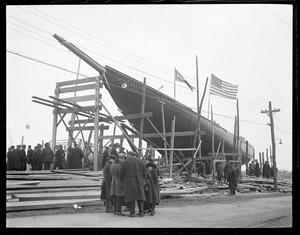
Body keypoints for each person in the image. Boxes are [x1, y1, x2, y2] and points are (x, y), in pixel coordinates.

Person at [120, 151, 146, 217]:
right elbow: (144, 171)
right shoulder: (140, 161)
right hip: (139, 180)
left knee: (131, 197)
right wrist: (143, 179)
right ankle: (141, 212)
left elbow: (122, 172)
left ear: (129, 155)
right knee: (140, 197)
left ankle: (132, 212)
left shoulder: (125, 162)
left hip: (129, 181)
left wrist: (122, 180)